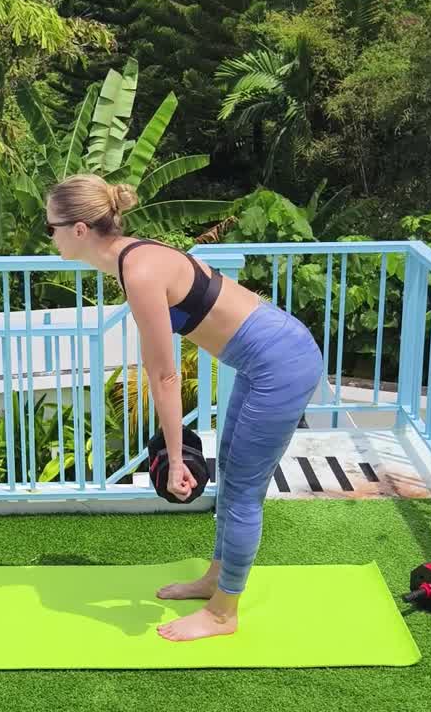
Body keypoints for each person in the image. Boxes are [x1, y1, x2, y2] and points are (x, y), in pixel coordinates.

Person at [45, 173, 324, 642]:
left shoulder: (139, 271)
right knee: (233, 480)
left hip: (282, 365)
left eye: (49, 226)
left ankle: (223, 614)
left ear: (78, 230)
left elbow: (164, 376)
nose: (47, 235)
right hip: (266, 363)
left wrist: (176, 459)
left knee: (242, 491)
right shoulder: (133, 257)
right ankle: (217, 580)